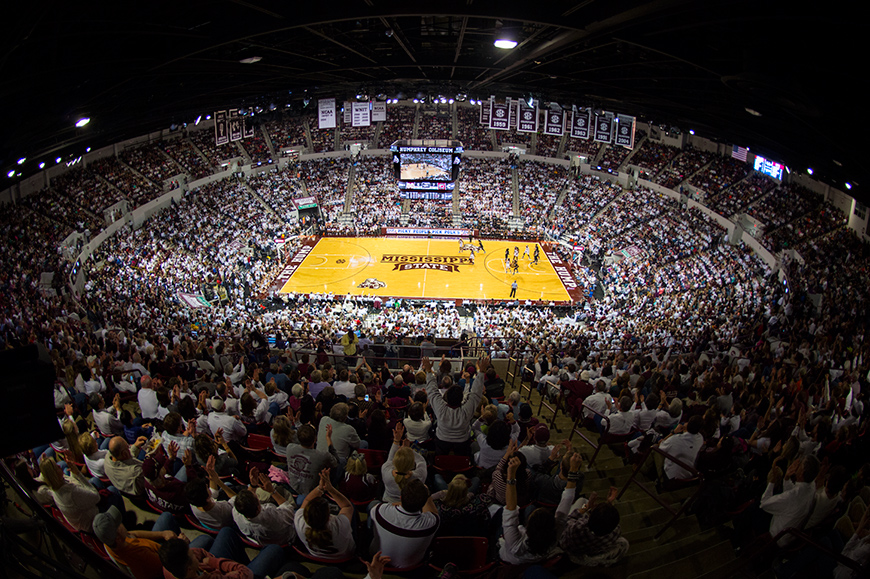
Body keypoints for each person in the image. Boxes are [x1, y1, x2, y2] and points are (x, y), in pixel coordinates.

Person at [93, 506, 185, 579]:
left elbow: (133, 534)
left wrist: (162, 534)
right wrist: (180, 544)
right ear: (117, 537)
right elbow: (168, 564)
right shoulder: (139, 555)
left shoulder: (109, 542)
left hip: (156, 549)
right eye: (118, 524)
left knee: (166, 516)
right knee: (199, 540)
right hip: (165, 561)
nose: (121, 523)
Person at [158, 528, 285, 579]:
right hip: (238, 573)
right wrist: (214, 562)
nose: (192, 551)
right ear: (189, 568)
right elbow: (246, 573)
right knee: (274, 550)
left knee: (226, 532)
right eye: (190, 554)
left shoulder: (169, 566)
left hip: (219, 569)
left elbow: (200, 552)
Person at [369, 478, 439, 569]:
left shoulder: (379, 511)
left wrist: (406, 501)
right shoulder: (432, 524)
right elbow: (433, 512)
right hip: (411, 567)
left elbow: (384, 506)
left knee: (373, 504)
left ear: (401, 498)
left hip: (379, 561)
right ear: (423, 505)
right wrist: (427, 496)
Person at [424, 356, 487, 455]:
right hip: (462, 444)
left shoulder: (441, 408)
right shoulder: (466, 410)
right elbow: (476, 394)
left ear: (447, 398)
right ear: (462, 399)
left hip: (442, 442)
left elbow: (432, 391)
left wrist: (428, 371)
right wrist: (481, 372)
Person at [295, 469, 356, 560]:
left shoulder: (299, 522)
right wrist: (330, 489)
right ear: (328, 516)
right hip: (344, 559)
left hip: (316, 557)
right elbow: (347, 506)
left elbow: (307, 500)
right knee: (353, 510)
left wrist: (320, 488)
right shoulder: (340, 526)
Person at [232, 469, 296, 546]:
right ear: (259, 507)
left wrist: (253, 485)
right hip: (287, 539)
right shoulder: (271, 516)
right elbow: (289, 509)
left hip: (262, 542)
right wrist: (272, 491)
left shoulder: (236, 513)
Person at [286, 423, 339, 496]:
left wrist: (305, 430)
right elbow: (336, 462)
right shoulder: (323, 456)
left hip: (292, 488)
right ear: (315, 439)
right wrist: (328, 438)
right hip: (312, 493)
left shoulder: (289, 448)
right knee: (341, 462)